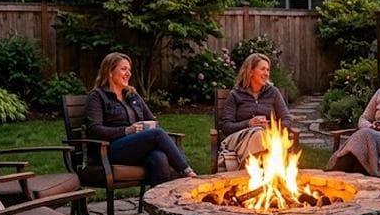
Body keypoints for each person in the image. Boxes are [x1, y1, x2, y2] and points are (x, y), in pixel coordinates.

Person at [85, 52, 195, 185]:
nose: (128, 73)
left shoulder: (132, 95)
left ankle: (159, 203)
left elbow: (153, 122)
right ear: (109, 72)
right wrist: (126, 131)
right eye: (124, 69)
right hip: (109, 150)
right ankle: (187, 172)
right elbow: (94, 129)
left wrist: (148, 128)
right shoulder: (97, 96)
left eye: (129, 70)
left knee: (159, 157)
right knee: (157, 134)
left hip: (134, 148)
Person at [217, 53, 294, 171]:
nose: (266, 73)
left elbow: (287, 119)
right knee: (259, 135)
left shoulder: (273, 92)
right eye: (262, 69)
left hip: (267, 136)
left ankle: (247, 172)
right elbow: (226, 127)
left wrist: (271, 128)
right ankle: (261, 174)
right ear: (250, 71)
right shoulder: (235, 94)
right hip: (240, 139)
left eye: (268, 70)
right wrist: (249, 123)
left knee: (262, 135)